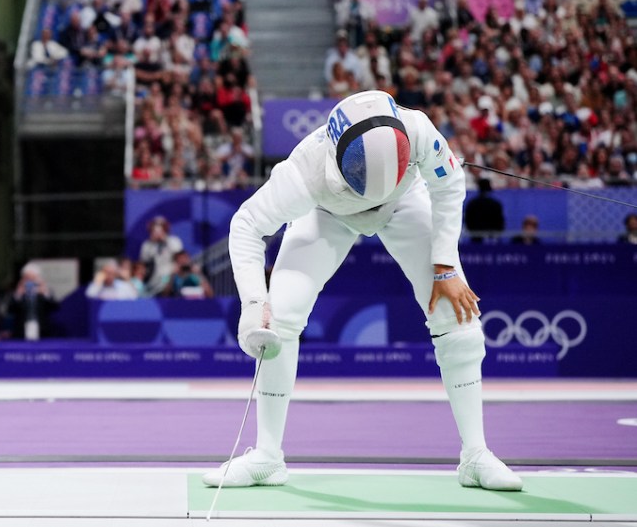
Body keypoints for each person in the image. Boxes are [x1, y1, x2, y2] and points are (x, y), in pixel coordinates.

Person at [204, 90, 521, 492]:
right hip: (327, 212)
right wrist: (253, 302)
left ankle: (475, 455)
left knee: (455, 312)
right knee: (280, 315)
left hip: (405, 202)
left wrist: (444, 265)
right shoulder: (303, 172)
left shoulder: (418, 129)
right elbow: (246, 225)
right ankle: (267, 457)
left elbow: (449, 184)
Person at [6, 262, 59, 340]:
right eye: (27, 278)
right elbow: (10, 310)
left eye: (33, 278)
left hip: (42, 331)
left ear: (38, 278)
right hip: (21, 332)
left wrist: (45, 293)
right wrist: (18, 294)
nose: (30, 281)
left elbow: (55, 307)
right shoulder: (18, 292)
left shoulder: (44, 291)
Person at [138, 216, 185, 295]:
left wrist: (164, 240)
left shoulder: (174, 240)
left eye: (160, 229)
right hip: (154, 279)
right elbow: (143, 261)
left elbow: (180, 257)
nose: (157, 232)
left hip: (171, 277)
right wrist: (152, 243)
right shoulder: (147, 245)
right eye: (155, 230)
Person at [464, 177, 506, 243]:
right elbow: (500, 222)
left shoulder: (472, 203)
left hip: (477, 237)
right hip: (490, 238)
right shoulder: (495, 204)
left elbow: (468, 221)